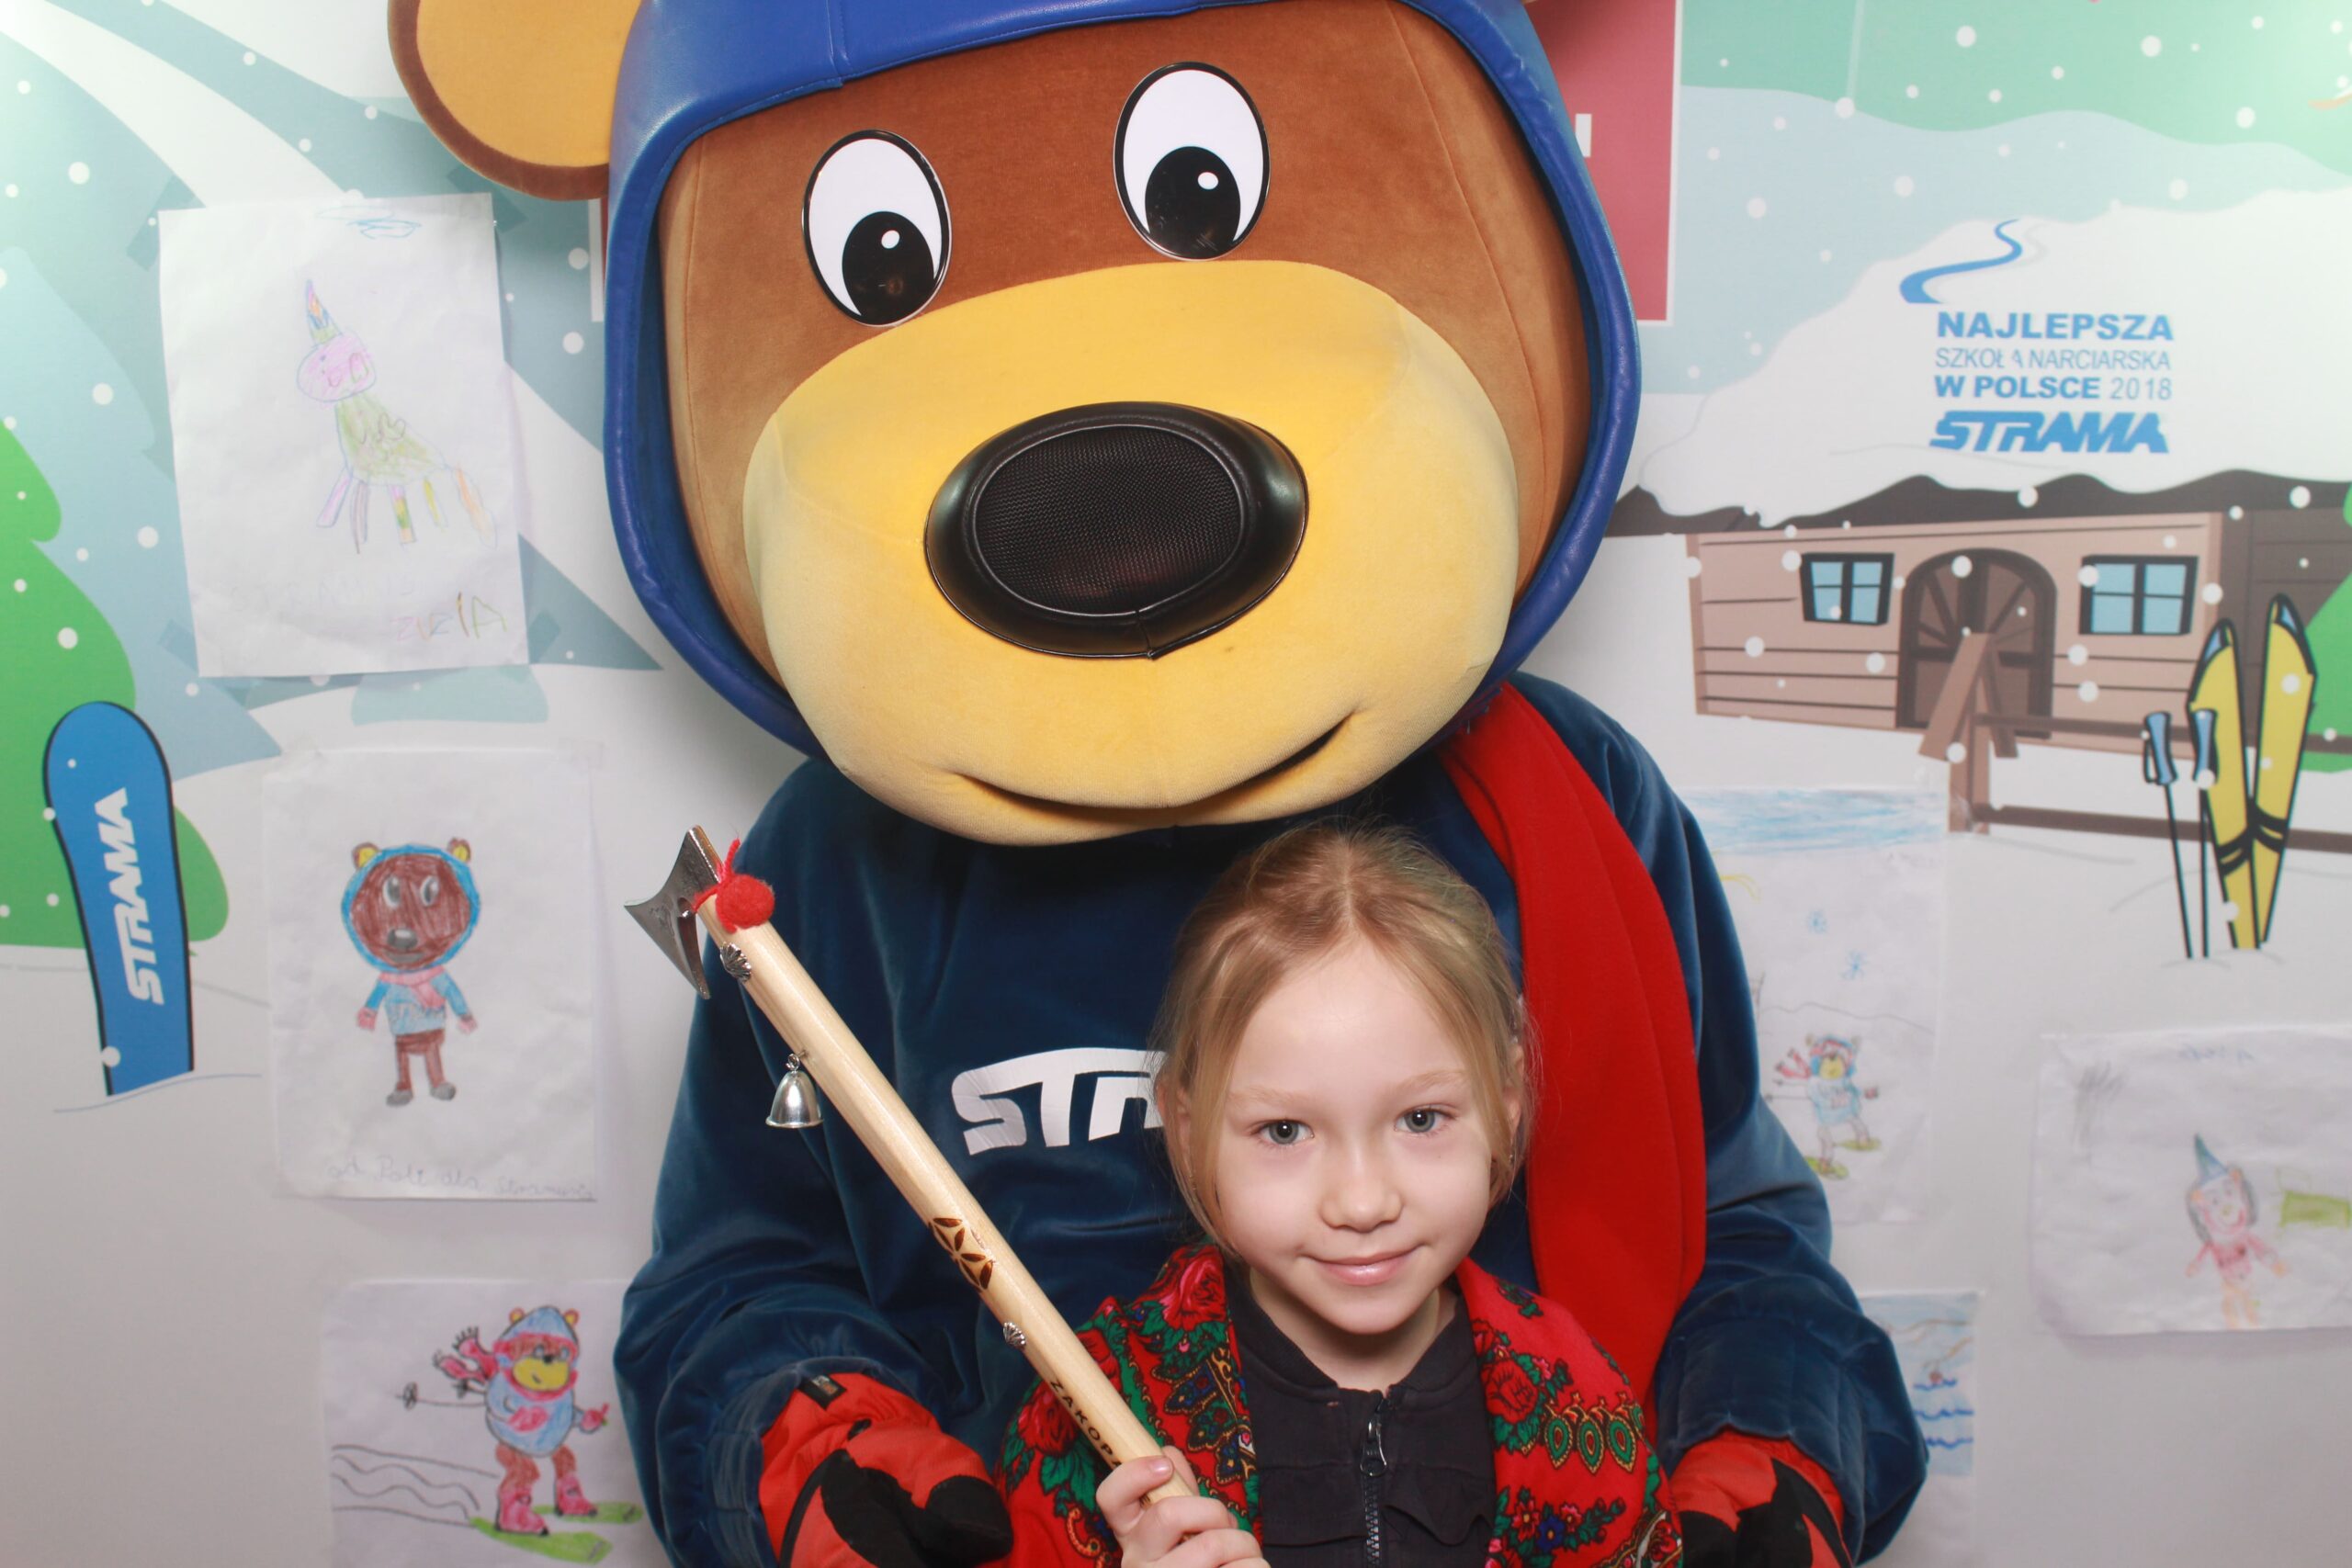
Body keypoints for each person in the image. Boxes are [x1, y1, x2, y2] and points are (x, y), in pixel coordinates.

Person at [998, 823, 1679, 1568]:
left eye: (1421, 1119)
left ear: (1505, 1103)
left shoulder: (1575, 1393)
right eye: (1285, 1130)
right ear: (1188, 1132)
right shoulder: (1098, 1401)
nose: (1362, 1203)